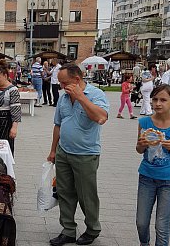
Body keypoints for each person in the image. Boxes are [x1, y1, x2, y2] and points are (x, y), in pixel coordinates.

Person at [47, 63, 109, 246]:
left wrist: (81, 97)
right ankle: (68, 230)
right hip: (64, 152)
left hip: (85, 154)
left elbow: (101, 117)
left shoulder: (96, 95)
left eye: (64, 83)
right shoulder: (63, 98)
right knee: (64, 192)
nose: (61, 87)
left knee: (86, 194)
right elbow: (58, 124)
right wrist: (53, 150)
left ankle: (92, 229)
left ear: (77, 79)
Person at [135, 85, 170, 246]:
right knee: (141, 222)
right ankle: (144, 243)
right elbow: (139, 150)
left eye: (163, 100)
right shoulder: (144, 122)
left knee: (162, 224)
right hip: (146, 178)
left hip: (169, 182)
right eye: (155, 99)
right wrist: (141, 144)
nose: (158, 103)